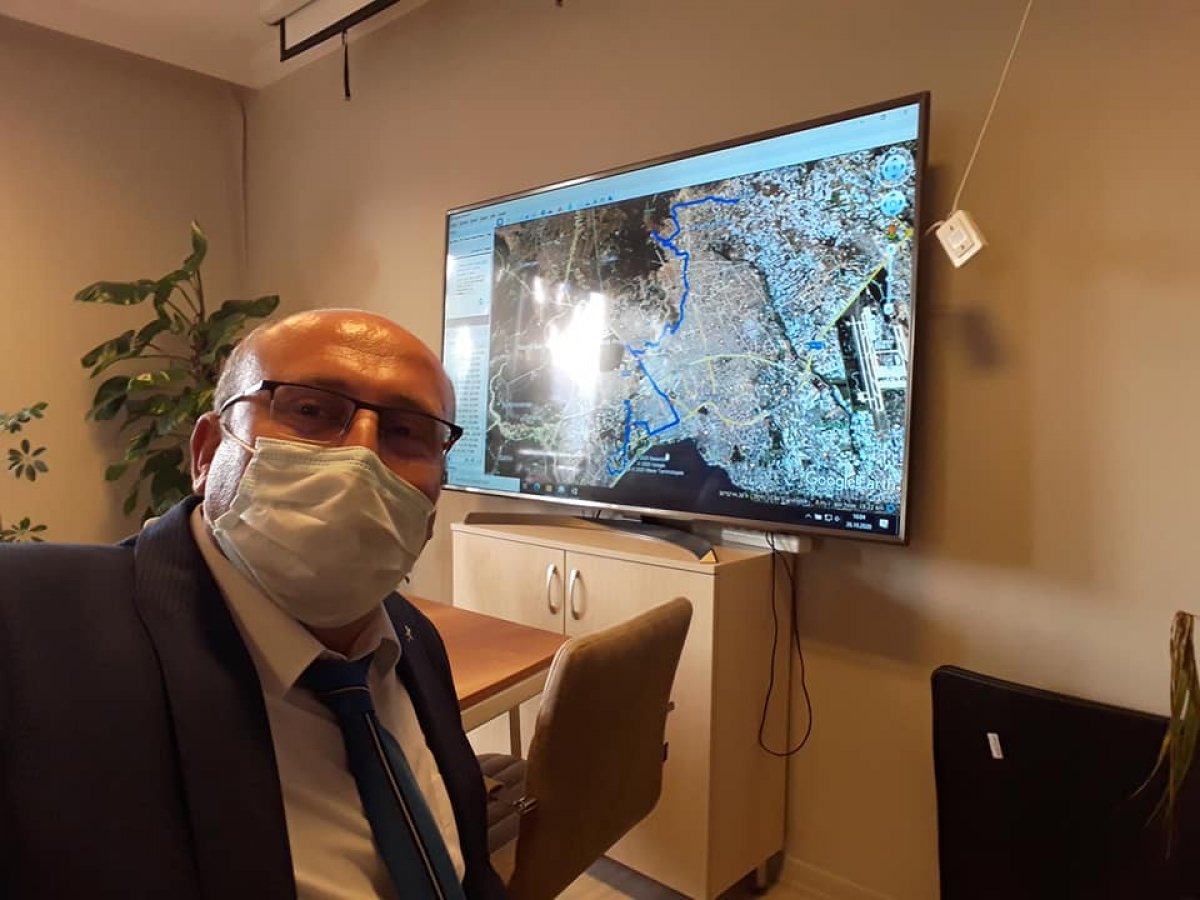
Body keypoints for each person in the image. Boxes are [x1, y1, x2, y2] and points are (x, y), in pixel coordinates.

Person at [0, 309, 507, 900]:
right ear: (207, 452)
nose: (362, 457)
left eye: (405, 432)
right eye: (310, 411)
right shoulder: (25, 629)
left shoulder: (411, 638)